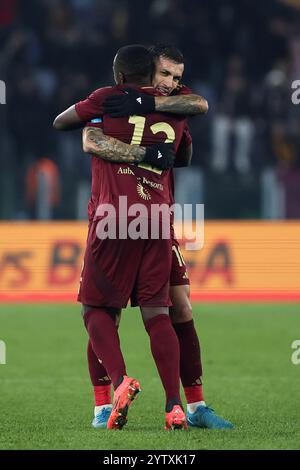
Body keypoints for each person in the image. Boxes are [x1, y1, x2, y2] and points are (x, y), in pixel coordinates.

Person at [54, 44, 233, 430]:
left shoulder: (116, 99)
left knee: (112, 309)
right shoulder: (164, 106)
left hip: (118, 219)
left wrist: (137, 104)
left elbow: (76, 130)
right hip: (154, 221)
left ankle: (174, 402)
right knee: (154, 312)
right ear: (150, 71)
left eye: (177, 77)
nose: (171, 83)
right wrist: (153, 150)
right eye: (165, 74)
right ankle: (137, 405)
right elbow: (94, 140)